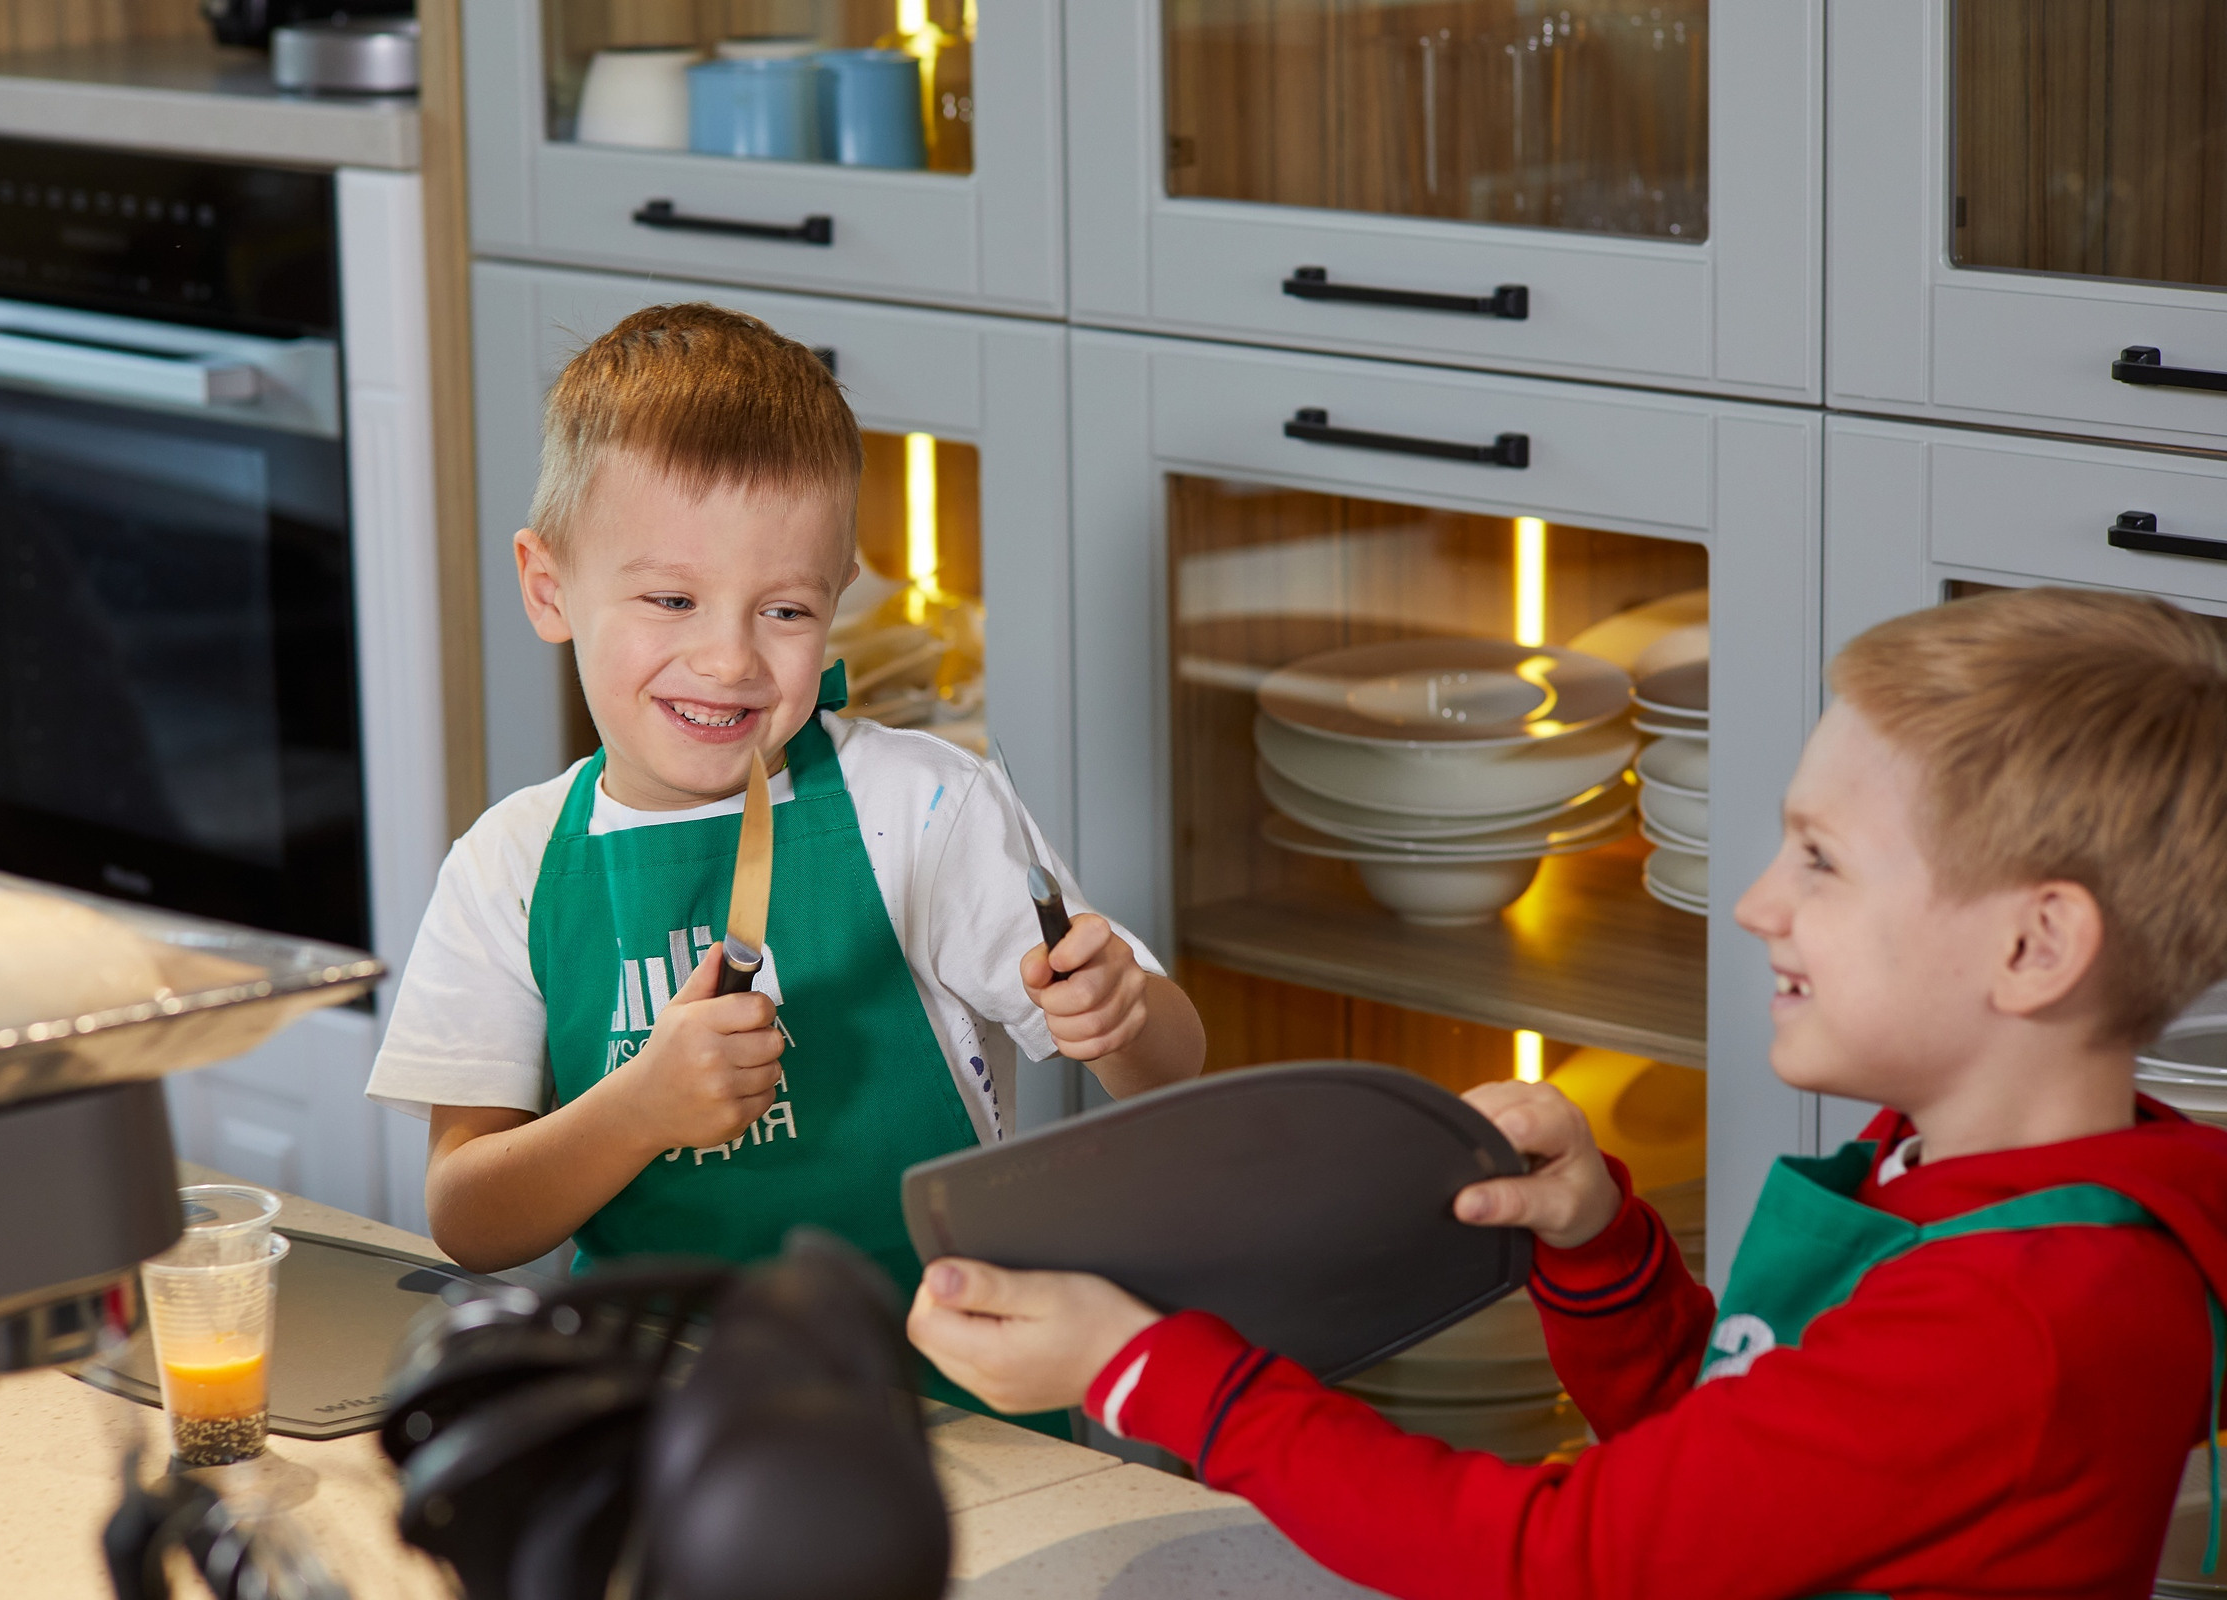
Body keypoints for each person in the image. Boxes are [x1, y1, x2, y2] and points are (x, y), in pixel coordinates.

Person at [909, 585, 2227, 1596]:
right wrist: (1602, 1254)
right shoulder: (1947, 1170)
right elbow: (1727, 1475)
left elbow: (1564, 1565)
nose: (1759, 904)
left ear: (2034, 946)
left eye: (1822, 861)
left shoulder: (2024, 1313)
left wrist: (1148, 1370)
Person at [365, 303, 1204, 1425]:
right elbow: (469, 1217)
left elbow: (1171, 1076)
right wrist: (639, 1110)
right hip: (650, 1417)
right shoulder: (506, 866)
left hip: (943, 1420)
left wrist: (1121, 1015)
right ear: (548, 585)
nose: (729, 659)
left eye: (786, 609)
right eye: (672, 599)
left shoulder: (927, 809)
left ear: (838, 594)